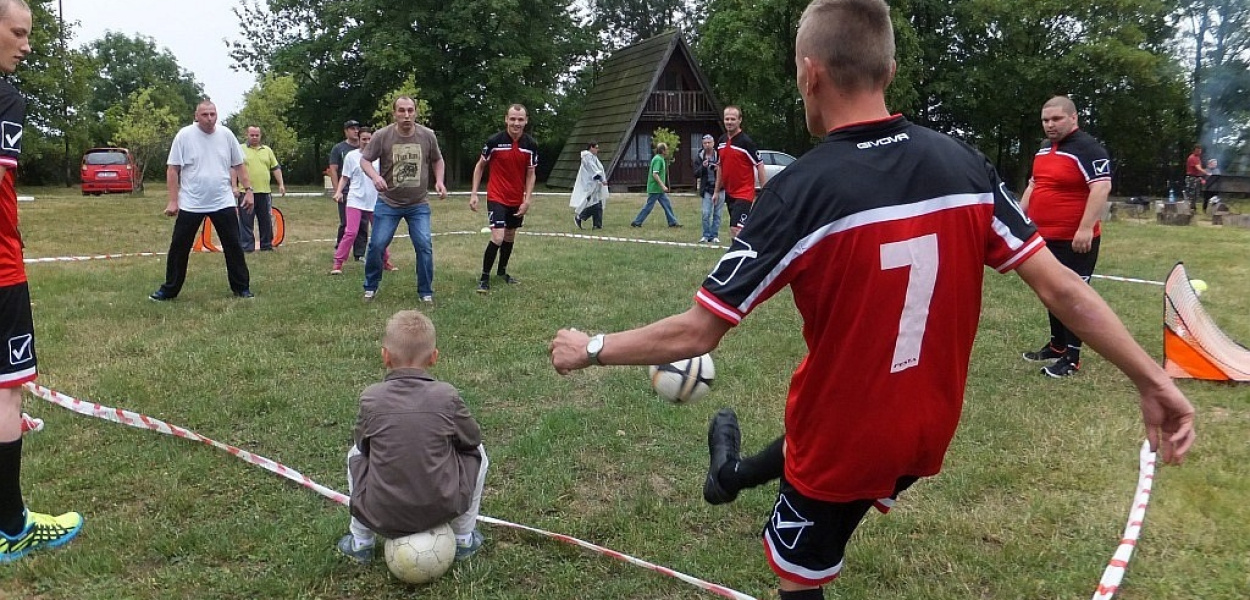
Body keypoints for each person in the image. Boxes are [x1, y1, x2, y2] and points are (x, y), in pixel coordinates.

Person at [548, 1, 1196, 597]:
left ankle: (738, 480)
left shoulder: (799, 193)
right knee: (808, 443)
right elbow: (1063, 287)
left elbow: (697, 333)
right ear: (888, 68)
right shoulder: (964, 166)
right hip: (927, 433)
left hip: (842, 448)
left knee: (800, 579)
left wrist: (590, 348)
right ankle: (735, 474)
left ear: (809, 73)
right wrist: (1150, 379)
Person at [0, 0, 84, 563]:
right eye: (20, 33)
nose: (27, 45)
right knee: (8, 390)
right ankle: (12, 529)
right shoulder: (6, 96)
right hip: (1, 271)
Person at [336, 310, 488, 564]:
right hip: (444, 507)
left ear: (384, 356)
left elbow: (363, 444)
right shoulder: (447, 396)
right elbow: (472, 439)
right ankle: (463, 537)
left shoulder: (370, 398)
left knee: (355, 453)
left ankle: (361, 541)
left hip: (381, 513)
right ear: (434, 357)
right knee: (479, 453)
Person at [1017, 95, 1112, 378]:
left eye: (1056, 119)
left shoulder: (1088, 149)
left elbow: (1101, 188)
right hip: (1043, 237)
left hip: (1076, 240)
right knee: (1051, 294)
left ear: (1073, 118)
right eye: (1045, 120)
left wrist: (1084, 228)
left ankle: (1072, 358)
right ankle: (1057, 346)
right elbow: (1035, 186)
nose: (1050, 125)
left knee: (1073, 297)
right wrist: (1020, 216)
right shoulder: (1044, 150)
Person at [149, 99, 255, 301]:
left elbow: (239, 165)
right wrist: (173, 201)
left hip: (222, 201)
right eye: (205, 115)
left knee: (233, 245)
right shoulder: (184, 136)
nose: (209, 119)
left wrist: (248, 190)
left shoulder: (226, 135)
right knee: (179, 247)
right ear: (196, 116)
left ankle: (242, 288)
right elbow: (173, 169)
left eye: (213, 114)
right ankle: (169, 290)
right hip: (191, 202)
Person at [360, 97, 447, 303]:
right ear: (394, 114)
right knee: (377, 244)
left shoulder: (427, 135)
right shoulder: (382, 136)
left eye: (410, 110)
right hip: (389, 202)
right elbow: (365, 160)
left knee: (424, 244)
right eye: (401, 111)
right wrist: (375, 176)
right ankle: (370, 287)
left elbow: (437, 159)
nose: (406, 115)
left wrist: (440, 181)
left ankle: (425, 292)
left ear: (416, 112)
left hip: (418, 204)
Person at [470, 104, 539, 293]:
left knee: (510, 235)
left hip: (516, 199)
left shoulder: (530, 145)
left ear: (526, 121)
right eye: (513, 119)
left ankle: (502, 272)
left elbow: (531, 173)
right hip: (497, 196)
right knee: (498, 236)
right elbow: (480, 166)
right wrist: (474, 193)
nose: (516, 123)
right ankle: (484, 278)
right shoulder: (494, 141)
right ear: (506, 119)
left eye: (520, 119)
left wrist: (527, 200)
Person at [330, 127, 394, 275]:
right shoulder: (351, 156)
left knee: (380, 233)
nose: (366, 142)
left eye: (369, 139)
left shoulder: (379, 157)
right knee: (350, 232)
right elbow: (345, 177)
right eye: (363, 139)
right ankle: (337, 264)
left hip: (375, 201)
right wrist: (339, 192)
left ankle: (386, 262)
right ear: (358, 140)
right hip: (355, 200)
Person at [712, 106, 767, 239]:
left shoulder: (746, 142)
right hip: (730, 193)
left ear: (739, 120)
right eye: (727, 119)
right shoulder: (721, 141)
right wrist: (716, 191)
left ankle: (740, 256)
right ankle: (752, 247)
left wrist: (766, 191)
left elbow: (759, 165)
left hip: (744, 193)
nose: (729, 122)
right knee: (740, 228)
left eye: (733, 119)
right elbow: (720, 166)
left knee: (736, 229)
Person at [236, 126, 285, 252]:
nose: (254, 137)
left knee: (266, 220)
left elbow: (275, 168)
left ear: (260, 136)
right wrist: (233, 186)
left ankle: (266, 245)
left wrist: (281, 184)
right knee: (246, 221)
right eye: (252, 135)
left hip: (264, 192)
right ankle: (247, 246)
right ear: (247, 135)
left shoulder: (267, 150)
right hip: (245, 192)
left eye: (256, 135)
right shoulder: (240, 149)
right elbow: (234, 168)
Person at [329, 120, 368, 262]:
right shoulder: (339, 148)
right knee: (346, 223)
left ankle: (359, 253)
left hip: (363, 190)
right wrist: (336, 190)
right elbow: (333, 169)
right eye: (352, 128)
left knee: (363, 223)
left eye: (357, 128)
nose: (355, 131)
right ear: (345, 131)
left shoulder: (365, 148)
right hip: (346, 190)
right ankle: (340, 247)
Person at [629, 142, 681, 228]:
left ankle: (672, 222)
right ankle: (637, 222)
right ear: (662, 151)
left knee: (667, 204)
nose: (668, 151)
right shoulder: (658, 159)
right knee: (649, 206)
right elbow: (655, 174)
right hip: (655, 188)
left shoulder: (661, 159)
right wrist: (663, 186)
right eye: (666, 149)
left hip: (658, 189)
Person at [570, 141, 608, 230]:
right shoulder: (587, 157)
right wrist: (601, 179)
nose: (598, 150)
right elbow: (593, 169)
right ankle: (580, 217)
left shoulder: (593, 157)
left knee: (598, 203)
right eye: (596, 147)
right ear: (591, 147)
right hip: (589, 185)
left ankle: (597, 225)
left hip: (595, 184)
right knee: (595, 204)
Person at [694, 134, 723, 243]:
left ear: (713, 143)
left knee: (717, 213)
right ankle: (706, 235)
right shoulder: (699, 156)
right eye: (705, 143)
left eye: (709, 142)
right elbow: (695, 174)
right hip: (707, 188)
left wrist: (718, 168)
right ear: (702, 144)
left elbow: (727, 169)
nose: (707, 145)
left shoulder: (719, 155)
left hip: (720, 187)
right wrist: (703, 166)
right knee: (706, 213)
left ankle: (714, 235)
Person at [1184, 145, 1207, 211]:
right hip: (1191, 178)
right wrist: (1207, 172)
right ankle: (1188, 209)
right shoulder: (1192, 157)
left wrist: (1201, 177)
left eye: (1200, 150)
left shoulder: (1197, 158)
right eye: (1197, 151)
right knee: (1191, 194)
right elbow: (1198, 168)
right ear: (1194, 150)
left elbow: (1198, 170)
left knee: (1196, 195)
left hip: (1196, 178)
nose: (1199, 152)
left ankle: (1193, 208)